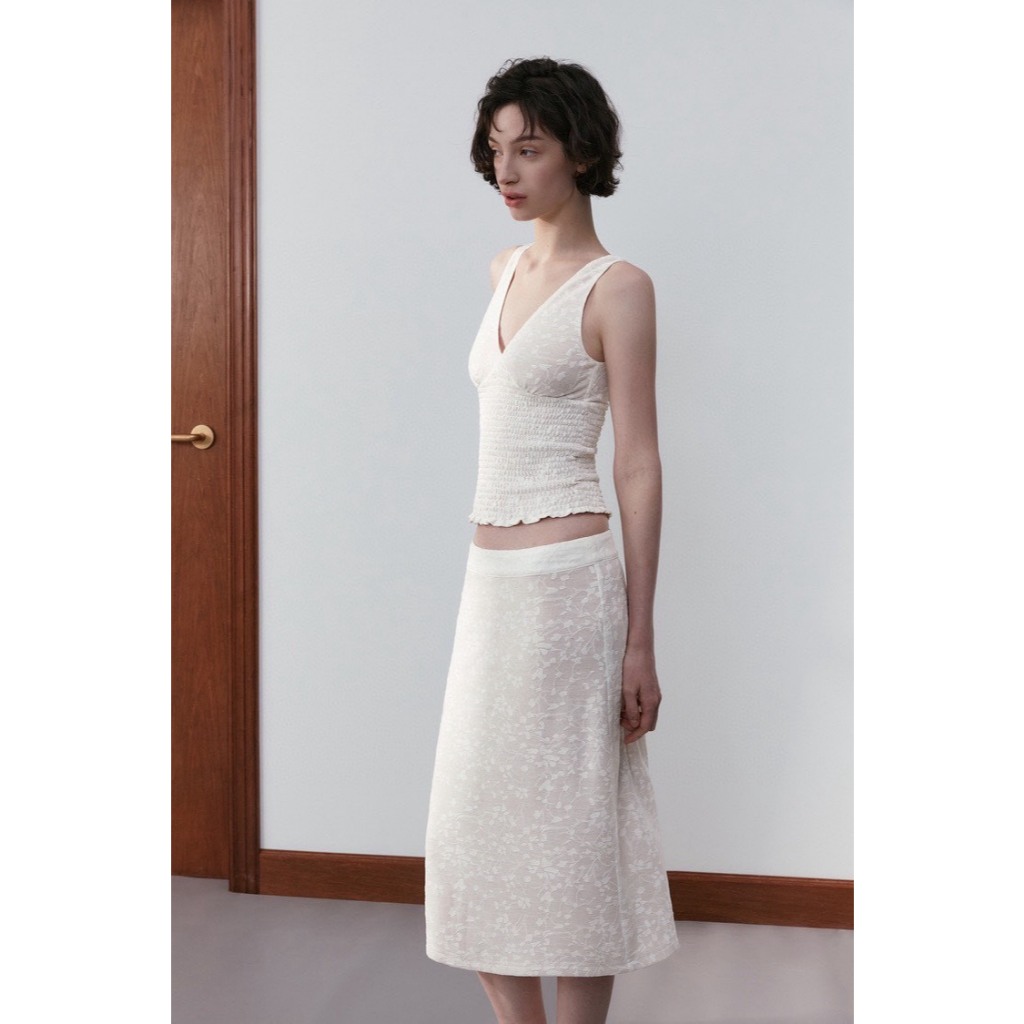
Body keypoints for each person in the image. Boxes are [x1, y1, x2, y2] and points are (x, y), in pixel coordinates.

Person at [425, 57, 679, 1024]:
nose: (507, 170)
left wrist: (640, 638)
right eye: (496, 150)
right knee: (470, 824)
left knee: (573, 830)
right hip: (488, 586)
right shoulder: (501, 272)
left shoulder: (619, 287)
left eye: (528, 148)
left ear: (580, 150)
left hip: (571, 589)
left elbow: (638, 462)